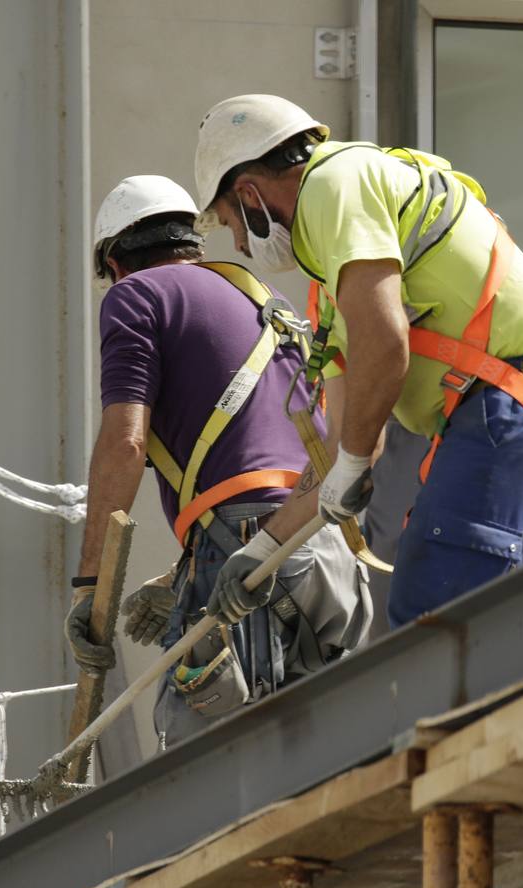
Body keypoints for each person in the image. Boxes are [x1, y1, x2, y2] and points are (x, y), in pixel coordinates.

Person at [194, 95, 523, 627]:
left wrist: (351, 466)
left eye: (231, 224)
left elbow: (385, 346)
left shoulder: (335, 186)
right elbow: (347, 446)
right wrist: (266, 547)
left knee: (434, 609)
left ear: (249, 193)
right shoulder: (337, 275)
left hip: (516, 402)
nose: (242, 244)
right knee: (448, 605)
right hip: (513, 408)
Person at [64, 175, 371, 745]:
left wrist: (91, 586)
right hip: (325, 540)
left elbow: (125, 442)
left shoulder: (137, 295)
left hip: (248, 544)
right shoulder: (263, 300)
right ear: (193, 243)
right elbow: (271, 454)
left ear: (114, 261)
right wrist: (183, 578)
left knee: (205, 762)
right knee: (324, 754)